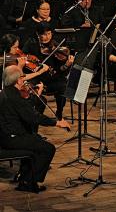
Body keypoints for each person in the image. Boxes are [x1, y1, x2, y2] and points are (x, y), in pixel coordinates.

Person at [0, 65, 70, 193]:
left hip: (8, 135)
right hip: (12, 138)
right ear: (18, 80)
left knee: (36, 140)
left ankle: (25, 179)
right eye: (22, 76)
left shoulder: (7, 92)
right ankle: (29, 181)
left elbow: (26, 111)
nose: (24, 79)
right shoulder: (14, 97)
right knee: (48, 149)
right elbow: (33, 117)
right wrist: (56, 122)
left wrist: (37, 94)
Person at [22, 21, 74, 120]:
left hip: (51, 78)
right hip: (36, 77)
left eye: (49, 33)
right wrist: (35, 66)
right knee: (31, 88)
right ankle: (34, 117)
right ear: (38, 34)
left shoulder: (55, 46)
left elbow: (60, 70)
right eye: (44, 34)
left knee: (63, 86)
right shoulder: (31, 43)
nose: (47, 37)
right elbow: (24, 60)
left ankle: (59, 112)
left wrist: (67, 65)